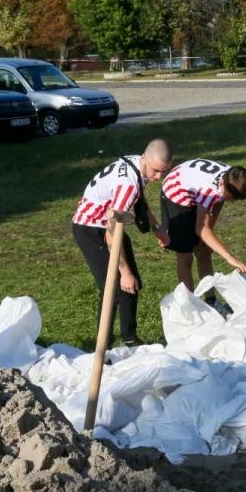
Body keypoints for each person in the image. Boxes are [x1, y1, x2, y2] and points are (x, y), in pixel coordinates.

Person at [72, 139, 172, 347]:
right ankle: (102, 348)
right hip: (92, 229)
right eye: (155, 171)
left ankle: (130, 338)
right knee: (114, 288)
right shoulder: (128, 185)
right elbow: (111, 236)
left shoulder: (138, 165)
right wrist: (124, 272)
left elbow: (140, 202)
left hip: (108, 225)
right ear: (145, 158)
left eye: (163, 172)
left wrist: (157, 228)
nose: (158, 177)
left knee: (131, 285)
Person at [160, 157, 246, 307]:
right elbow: (201, 228)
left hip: (196, 193)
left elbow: (219, 202)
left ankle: (211, 302)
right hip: (176, 197)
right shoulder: (208, 190)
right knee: (185, 257)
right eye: (230, 197)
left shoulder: (231, 177)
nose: (230, 201)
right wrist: (229, 257)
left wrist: (208, 234)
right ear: (222, 183)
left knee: (204, 251)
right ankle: (191, 306)